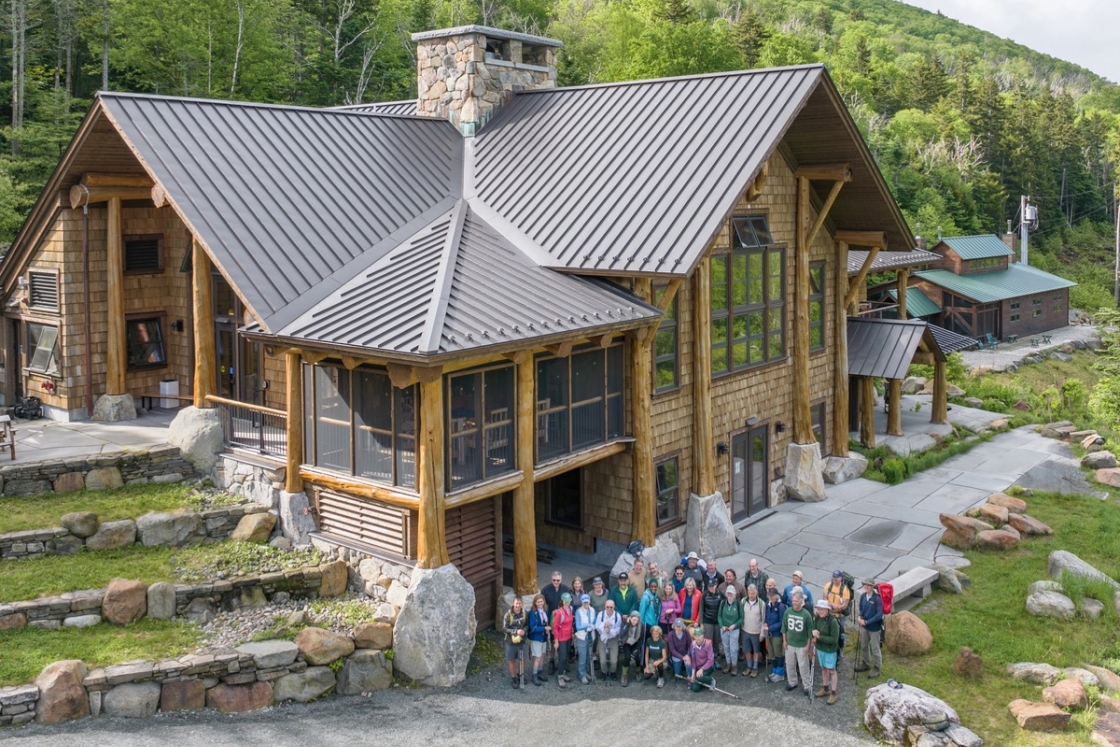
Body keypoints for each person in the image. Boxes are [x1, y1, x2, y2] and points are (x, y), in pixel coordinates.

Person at [782, 590, 814, 695]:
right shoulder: (788, 612)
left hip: (802, 645)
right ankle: (792, 682)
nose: (794, 603)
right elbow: (784, 627)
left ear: (801, 601)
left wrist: (808, 645)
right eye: (793, 601)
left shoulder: (806, 615)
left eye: (796, 601)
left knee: (803, 666)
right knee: (789, 664)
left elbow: (810, 632)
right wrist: (784, 641)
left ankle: (807, 686)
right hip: (790, 643)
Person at [811, 599, 841, 705]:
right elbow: (814, 628)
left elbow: (834, 640)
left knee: (832, 671)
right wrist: (814, 633)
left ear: (827, 610)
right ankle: (825, 688)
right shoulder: (818, 618)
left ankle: (833, 693)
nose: (820, 611)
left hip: (830, 650)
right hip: (820, 648)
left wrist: (819, 636)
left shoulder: (833, 622)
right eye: (819, 609)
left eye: (822, 609)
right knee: (823, 669)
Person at [856, 578, 884, 678]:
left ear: (872, 587)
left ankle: (877, 667)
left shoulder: (877, 599)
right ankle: (866, 663)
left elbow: (879, 615)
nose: (866, 587)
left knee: (875, 648)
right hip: (865, 626)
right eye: (865, 585)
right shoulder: (863, 596)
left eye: (868, 585)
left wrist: (867, 621)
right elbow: (861, 608)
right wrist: (860, 616)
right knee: (864, 645)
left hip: (874, 628)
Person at [823, 570, 851, 659]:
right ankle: (828, 649)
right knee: (828, 632)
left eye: (836, 577)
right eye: (833, 577)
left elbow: (845, 605)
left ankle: (840, 651)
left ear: (841, 578)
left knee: (841, 634)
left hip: (840, 616)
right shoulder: (828, 586)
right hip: (830, 614)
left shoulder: (845, 590)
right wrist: (832, 605)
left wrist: (838, 607)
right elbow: (824, 598)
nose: (834, 579)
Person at [740, 583, 765, 678]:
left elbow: (763, 619)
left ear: (756, 593)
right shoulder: (743, 601)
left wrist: (762, 634)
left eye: (753, 593)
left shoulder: (761, 604)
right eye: (749, 593)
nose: (751, 595)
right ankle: (749, 666)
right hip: (745, 631)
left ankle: (755, 668)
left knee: (756, 651)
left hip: (756, 632)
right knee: (746, 650)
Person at [503, 597, 528, 689]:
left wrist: (524, 631)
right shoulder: (508, 615)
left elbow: (527, 625)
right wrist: (516, 631)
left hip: (521, 641)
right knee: (511, 660)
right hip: (510, 642)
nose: (518, 605)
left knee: (522, 660)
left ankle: (520, 675)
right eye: (516, 603)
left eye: (520, 603)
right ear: (513, 603)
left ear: (522, 603)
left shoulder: (525, 613)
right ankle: (513, 678)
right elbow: (504, 628)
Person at [595, 599, 622, 684]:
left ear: (614, 607)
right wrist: (604, 625)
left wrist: (610, 631)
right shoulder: (601, 615)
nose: (609, 609)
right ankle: (604, 672)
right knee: (602, 660)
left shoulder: (617, 616)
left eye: (611, 607)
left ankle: (612, 672)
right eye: (607, 607)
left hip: (613, 639)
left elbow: (618, 629)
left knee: (614, 660)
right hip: (602, 639)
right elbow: (597, 627)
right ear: (605, 607)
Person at [717, 585, 742, 676]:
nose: (730, 595)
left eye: (731, 594)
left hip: (734, 630)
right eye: (728, 593)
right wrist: (722, 626)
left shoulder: (738, 604)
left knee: (733, 648)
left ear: (735, 595)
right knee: (726, 647)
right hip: (724, 629)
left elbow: (741, 618)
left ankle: (734, 665)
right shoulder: (723, 603)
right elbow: (719, 616)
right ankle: (728, 664)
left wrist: (734, 625)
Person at [763, 587, 787, 682]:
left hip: (777, 634)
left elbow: (781, 622)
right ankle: (775, 671)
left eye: (773, 596)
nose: (771, 597)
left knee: (778, 653)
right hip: (768, 633)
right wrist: (765, 623)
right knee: (771, 653)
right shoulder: (768, 605)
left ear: (777, 596)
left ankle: (780, 673)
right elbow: (766, 617)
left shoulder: (781, 607)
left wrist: (770, 628)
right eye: (769, 595)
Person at [527, 594, 552, 686]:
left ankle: (540, 672)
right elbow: (532, 628)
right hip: (536, 638)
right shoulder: (532, 613)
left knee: (542, 655)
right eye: (538, 602)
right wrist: (544, 628)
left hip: (544, 637)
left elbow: (548, 621)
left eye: (541, 601)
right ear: (535, 603)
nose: (540, 603)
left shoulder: (546, 610)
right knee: (537, 657)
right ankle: (534, 675)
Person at [638, 578, 662, 668]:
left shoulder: (657, 596)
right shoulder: (645, 597)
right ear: (649, 586)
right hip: (646, 624)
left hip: (655, 625)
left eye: (655, 586)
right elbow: (641, 612)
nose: (653, 588)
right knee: (645, 644)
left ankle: (652, 663)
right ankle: (642, 664)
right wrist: (641, 625)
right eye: (651, 586)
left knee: (653, 644)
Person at [552, 592, 574, 687]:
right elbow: (555, 627)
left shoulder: (570, 609)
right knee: (562, 657)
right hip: (561, 638)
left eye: (568, 601)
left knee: (566, 656)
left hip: (569, 637)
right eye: (565, 601)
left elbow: (570, 623)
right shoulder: (559, 612)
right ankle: (560, 676)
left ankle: (563, 672)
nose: (567, 603)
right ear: (562, 601)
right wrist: (556, 641)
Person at [684, 626, 715, 693]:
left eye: (699, 635)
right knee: (695, 688)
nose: (697, 638)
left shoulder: (708, 644)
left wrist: (702, 669)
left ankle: (711, 680)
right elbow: (693, 660)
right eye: (696, 636)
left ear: (703, 635)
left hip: (708, 667)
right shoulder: (693, 644)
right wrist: (692, 674)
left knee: (699, 678)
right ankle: (703, 680)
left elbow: (710, 660)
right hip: (698, 668)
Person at [574, 594, 596, 684]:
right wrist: (587, 626)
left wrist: (593, 626)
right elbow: (578, 627)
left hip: (591, 636)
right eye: (584, 603)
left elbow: (594, 621)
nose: (586, 604)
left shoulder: (592, 610)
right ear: (582, 602)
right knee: (582, 657)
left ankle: (586, 671)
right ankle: (581, 674)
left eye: (587, 602)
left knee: (588, 656)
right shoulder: (578, 612)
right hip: (582, 637)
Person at [618, 610, 644, 686]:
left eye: (637, 620)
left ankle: (638, 672)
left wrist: (637, 648)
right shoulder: (625, 623)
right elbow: (622, 634)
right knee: (627, 657)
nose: (635, 622)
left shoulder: (641, 626)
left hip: (635, 643)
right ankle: (624, 675)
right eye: (634, 620)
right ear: (630, 618)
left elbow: (641, 639)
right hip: (627, 643)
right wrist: (627, 623)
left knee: (637, 657)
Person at [701, 578, 723, 659]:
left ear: (716, 585)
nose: (710, 588)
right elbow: (701, 609)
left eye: (712, 586)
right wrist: (701, 622)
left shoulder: (720, 594)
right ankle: (708, 657)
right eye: (709, 586)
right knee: (708, 640)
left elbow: (724, 604)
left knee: (716, 640)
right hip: (708, 620)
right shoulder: (704, 594)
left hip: (717, 621)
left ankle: (716, 656)